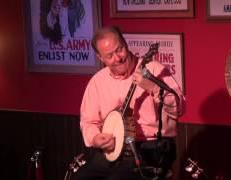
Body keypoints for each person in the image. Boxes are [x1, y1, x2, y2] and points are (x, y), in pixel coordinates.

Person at [71, 26, 184, 180]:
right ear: (100, 58)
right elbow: (88, 121)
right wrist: (95, 138)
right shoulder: (98, 81)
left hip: (150, 149)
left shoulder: (153, 70)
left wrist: (154, 88)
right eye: (109, 55)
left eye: (119, 49)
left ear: (125, 43)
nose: (117, 58)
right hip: (113, 150)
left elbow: (179, 109)